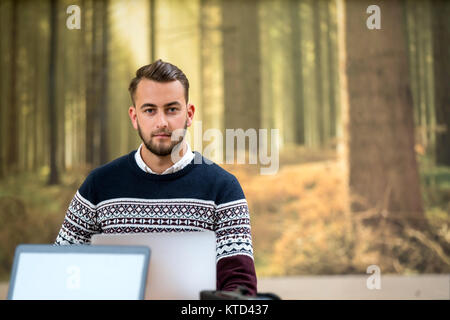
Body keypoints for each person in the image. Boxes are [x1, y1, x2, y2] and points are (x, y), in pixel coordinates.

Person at [55, 59, 257, 296]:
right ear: (134, 117)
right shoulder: (98, 186)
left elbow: (241, 288)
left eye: (172, 109)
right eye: (150, 110)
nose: (161, 122)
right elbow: (61, 270)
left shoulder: (223, 188)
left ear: (189, 114)